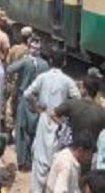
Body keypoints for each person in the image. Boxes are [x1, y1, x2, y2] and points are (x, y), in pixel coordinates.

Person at [24, 49, 81, 193]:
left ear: (50, 61)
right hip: (58, 123)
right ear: (64, 62)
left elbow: (27, 94)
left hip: (44, 119)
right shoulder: (68, 81)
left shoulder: (42, 77)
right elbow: (77, 99)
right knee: (54, 158)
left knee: (39, 157)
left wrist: (36, 108)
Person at [6, 35, 49, 171]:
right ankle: (32, 158)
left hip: (24, 99)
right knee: (34, 131)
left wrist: (17, 79)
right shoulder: (45, 65)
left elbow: (9, 69)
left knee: (22, 129)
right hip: (38, 101)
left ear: (29, 48)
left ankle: (22, 161)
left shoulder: (25, 62)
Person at [53, 75, 105, 146]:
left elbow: (53, 114)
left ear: (85, 90)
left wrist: (62, 125)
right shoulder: (102, 112)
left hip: (70, 147)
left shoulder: (72, 103)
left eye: (81, 87)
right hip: (89, 152)